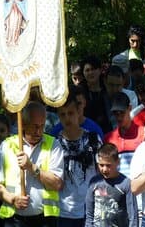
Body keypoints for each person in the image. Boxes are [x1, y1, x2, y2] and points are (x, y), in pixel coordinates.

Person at [0, 101, 64, 227]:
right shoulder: (6, 146)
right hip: (14, 219)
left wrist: (31, 167)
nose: (38, 131)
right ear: (22, 124)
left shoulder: (53, 145)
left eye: (42, 125)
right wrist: (12, 199)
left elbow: (57, 184)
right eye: (34, 126)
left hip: (44, 220)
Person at [55, 95, 102, 227]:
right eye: (62, 115)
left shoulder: (93, 139)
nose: (67, 118)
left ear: (78, 112)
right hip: (64, 211)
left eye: (70, 113)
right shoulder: (55, 144)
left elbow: (102, 172)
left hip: (91, 209)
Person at [85, 143, 138, 227]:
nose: (104, 169)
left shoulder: (125, 183)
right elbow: (89, 215)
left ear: (117, 162)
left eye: (108, 165)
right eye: (101, 165)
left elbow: (133, 216)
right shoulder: (94, 182)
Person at [104, 93, 145, 178]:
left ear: (130, 108)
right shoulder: (109, 138)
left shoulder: (143, 133)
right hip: (116, 188)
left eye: (122, 113)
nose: (119, 117)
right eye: (116, 113)